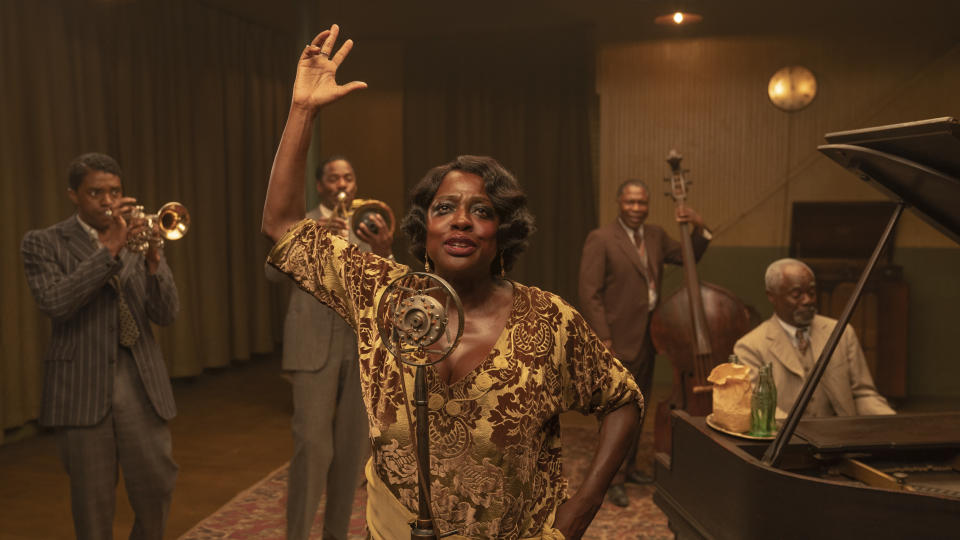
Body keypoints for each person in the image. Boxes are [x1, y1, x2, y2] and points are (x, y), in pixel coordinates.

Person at [261, 25, 643, 539]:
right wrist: (303, 111)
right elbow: (282, 225)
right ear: (425, 229)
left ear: (503, 232)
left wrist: (584, 504)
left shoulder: (548, 320)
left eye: (480, 211)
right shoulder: (383, 295)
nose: (460, 220)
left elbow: (622, 399)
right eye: (445, 208)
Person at [21, 152, 180, 539]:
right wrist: (107, 249)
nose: (108, 202)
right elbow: (56, 303)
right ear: (73, 195)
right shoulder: (42, 243)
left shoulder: (139, 236)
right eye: (96, 193)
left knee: (157, 488)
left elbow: (167, 313)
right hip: (81, 385)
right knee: (93, 507)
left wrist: (155, 262)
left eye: (115, 191)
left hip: (141, 384)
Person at [264, 155, 394, 540]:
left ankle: (335, 534)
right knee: (312, 447)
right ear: (320, 186)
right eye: (335, 178)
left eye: (349, 177)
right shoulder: (303, 223)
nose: (343, 184)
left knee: (353, 452)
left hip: (360, 347)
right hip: (312, 345)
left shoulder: (371, 222)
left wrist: (385, 250)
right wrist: (311, 236)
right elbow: (271, 273)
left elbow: (390, 283)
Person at [577, 178, 710, 507]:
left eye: (642, 203)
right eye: (630, 202)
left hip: (650, 338)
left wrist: (698, 226)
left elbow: (688, 257)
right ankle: (613, 478)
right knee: (617, 411)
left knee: (639, 408)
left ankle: (631, 467)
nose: (636, 209)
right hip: (616, 341)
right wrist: (603, 338)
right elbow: (589, 293)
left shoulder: (656, 236)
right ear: (619, 203)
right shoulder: (601, 239)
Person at [734, 258, 895, 418]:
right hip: (785, 439)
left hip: (840, 436)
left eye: (811, 292)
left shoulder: (842, 333)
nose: (808, 300)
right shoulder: (750, 347)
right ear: (772, 296)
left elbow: (863, 395)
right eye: (796, 295)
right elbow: (760, 408)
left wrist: (892, 422)